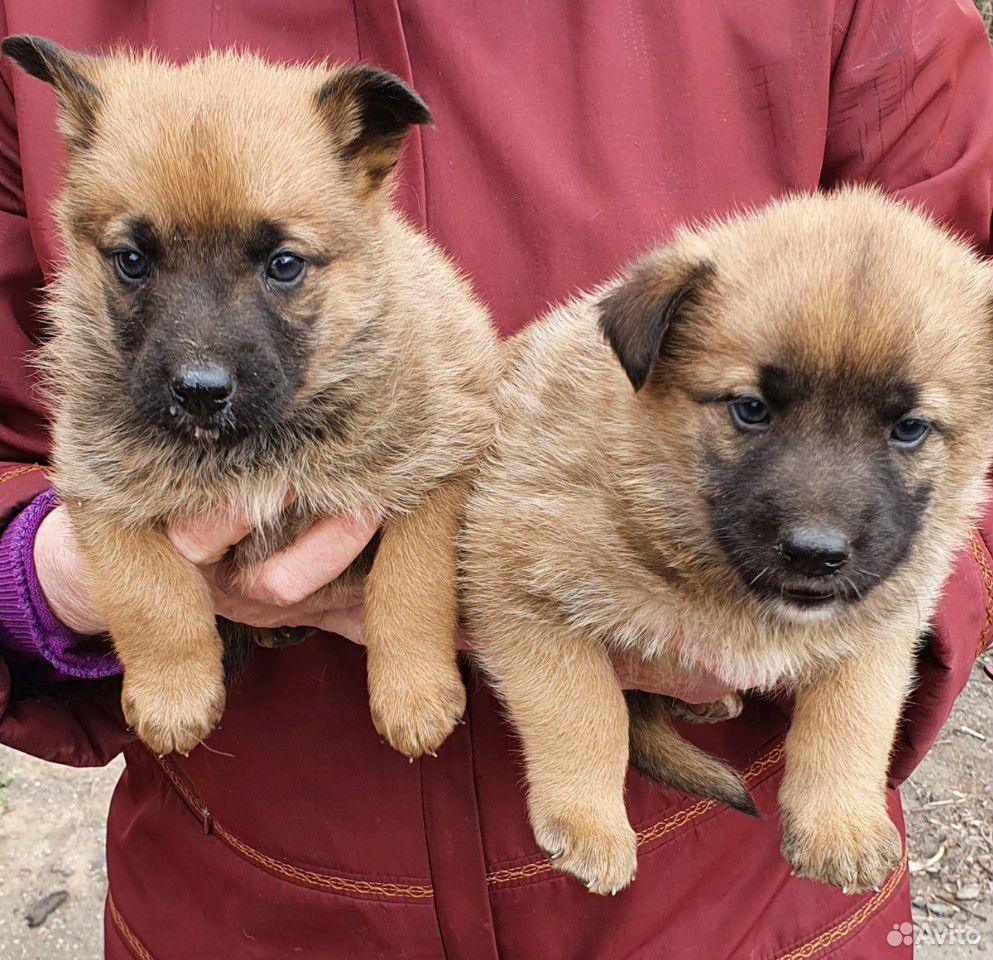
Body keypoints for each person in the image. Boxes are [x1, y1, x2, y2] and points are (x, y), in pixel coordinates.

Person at [1, 2, 991, 957]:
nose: (200, 361)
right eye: (134, 260)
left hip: (716, 907)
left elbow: (960, 380)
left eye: (285, 265)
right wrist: (49, 578)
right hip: (251, 894)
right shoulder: (57, 40)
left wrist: (840, 623)